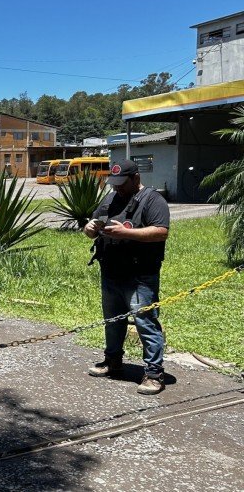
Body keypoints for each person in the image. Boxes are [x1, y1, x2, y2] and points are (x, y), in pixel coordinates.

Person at [84, 159, 170, 395]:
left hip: (140, 275)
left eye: (122, 183)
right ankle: (113, 362)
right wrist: (90, 229)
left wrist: (127, 233)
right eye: (114, 184)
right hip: (111, 271)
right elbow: (92, 225)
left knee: (146, 323)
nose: (117, 188)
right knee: (112, 322)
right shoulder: (111, 198)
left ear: (136, 178)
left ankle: (154, 374)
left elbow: (161, 232)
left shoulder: (153, 200)